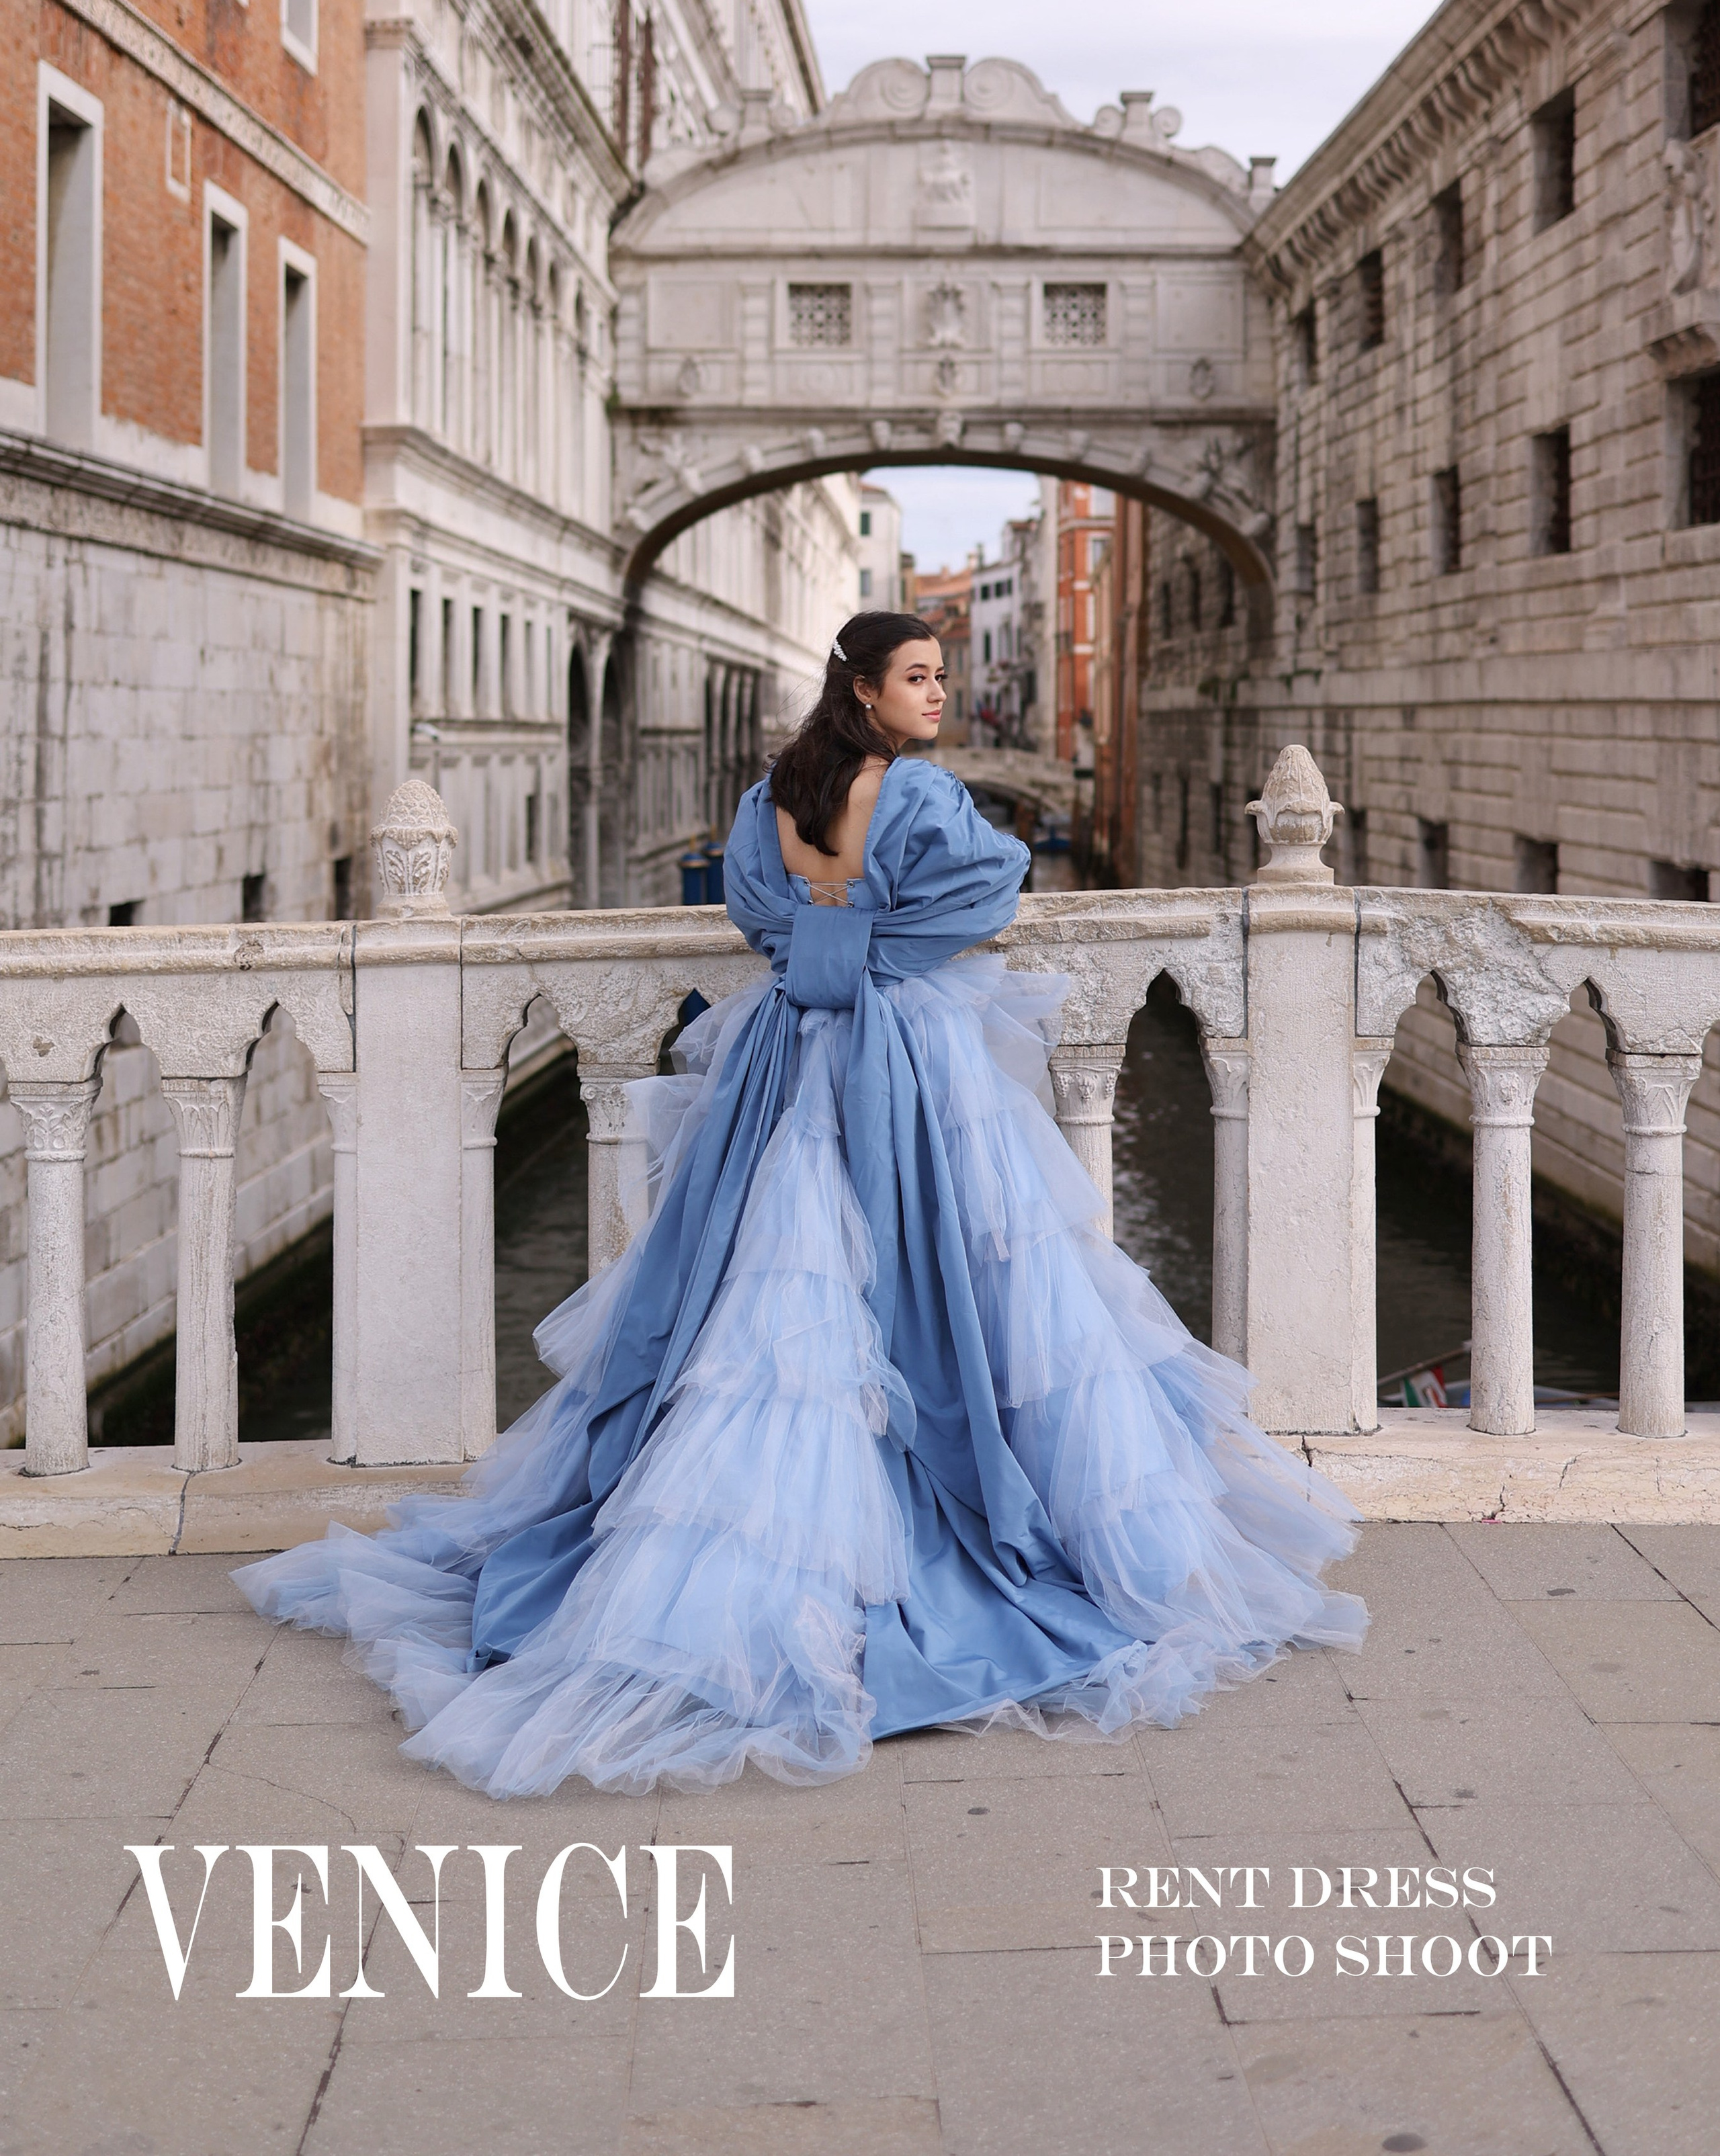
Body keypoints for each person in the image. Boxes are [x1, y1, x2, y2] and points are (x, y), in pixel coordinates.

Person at [233, 610, 1366, 1796]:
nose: (941, 694)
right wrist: (878, 945)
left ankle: (735, 1563)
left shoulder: (769, 799)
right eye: (920, 678)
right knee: (960, 1282)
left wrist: (828, 942)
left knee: (763, 1284)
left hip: (784, 1052)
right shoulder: (919, 799)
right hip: (904, 1056)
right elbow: (995, 890)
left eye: (940, 676)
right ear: (866, 693)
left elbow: (755, 917)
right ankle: (936, 1535)